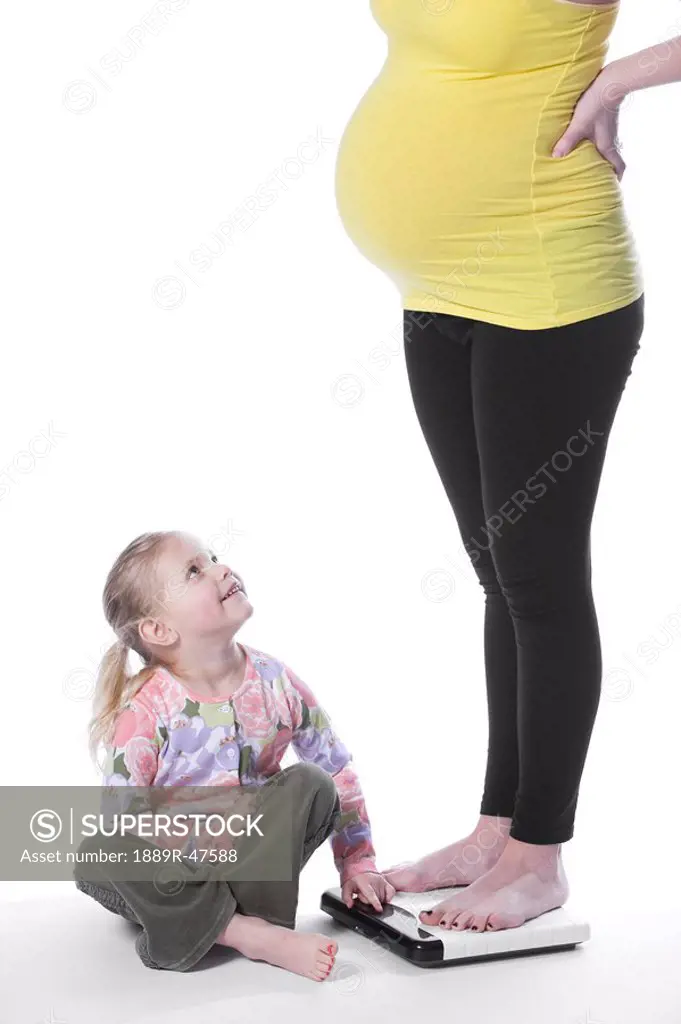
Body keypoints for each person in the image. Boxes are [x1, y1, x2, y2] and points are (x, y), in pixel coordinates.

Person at [336, 0, 680, 932]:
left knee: (539, 580)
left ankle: (540, 858)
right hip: (435, 288)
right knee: (499, 574)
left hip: (547, 285)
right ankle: (499, 828)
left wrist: (617, 77)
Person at [74, 530, 395, 977]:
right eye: (194, 571)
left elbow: (335, 766)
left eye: (213, 558)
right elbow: (124, 819)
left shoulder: (274, 681)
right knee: (98, 852)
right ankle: (247, 932)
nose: (221, 570)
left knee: (313, 783)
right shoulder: (146, 709)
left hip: (256, 862)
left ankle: (227, 922)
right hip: (176, 877)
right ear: (159, 629)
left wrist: (358, 863)